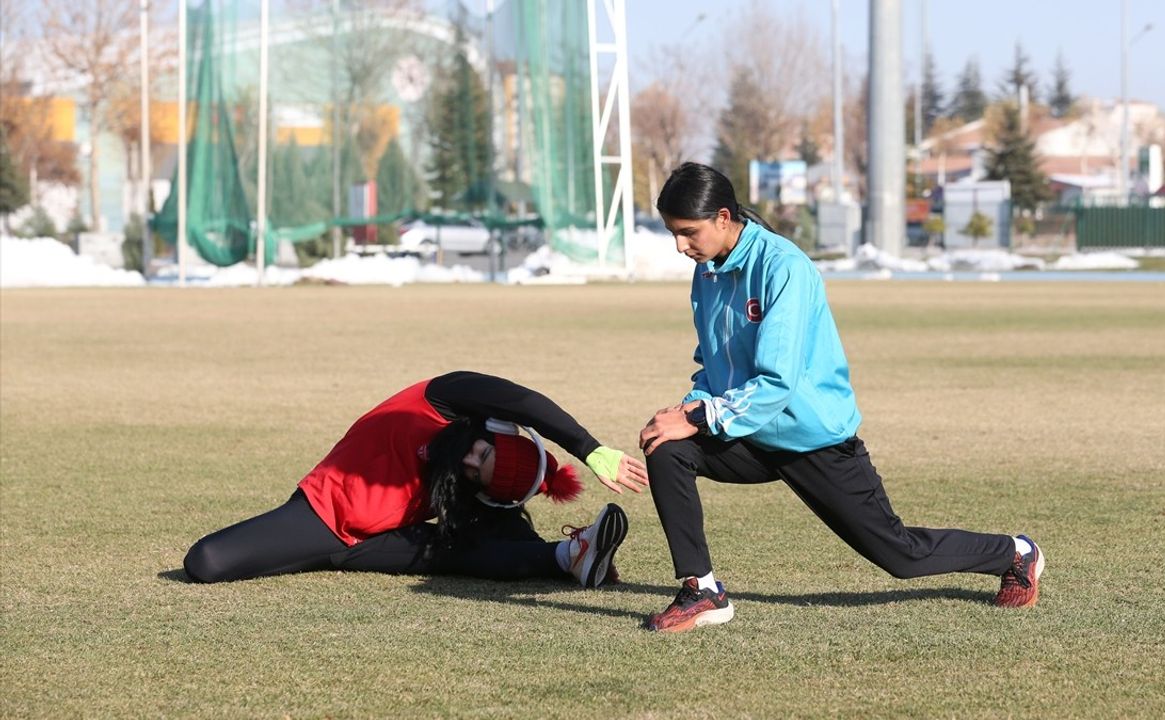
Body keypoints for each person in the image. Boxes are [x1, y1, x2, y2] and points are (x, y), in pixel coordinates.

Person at [637, 162, 1044, 633]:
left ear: (723, 217)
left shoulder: (783, 267)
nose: (680, 246)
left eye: (688, 232)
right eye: (673, 233)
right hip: (749, 433)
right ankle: (702, 591)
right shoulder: (707, 272)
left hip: (813, 437)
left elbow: (778, 380)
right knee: (667, 449)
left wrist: (701, 416)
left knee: (901, 556)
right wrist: (686, 409)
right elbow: (714, 364)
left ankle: (1016, 553)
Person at [184, 371, 649, 587]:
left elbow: (501, 517)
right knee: (205, 562)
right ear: (488, 428)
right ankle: (571, 557)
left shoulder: (458, 489)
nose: (468, 460)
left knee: (474, 549)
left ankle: (573, 555)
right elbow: (524, 402)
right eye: (482, 450)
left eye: (476, 473)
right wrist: (588, 448)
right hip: (321, 516)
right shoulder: (440, 400)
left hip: (376, 542)